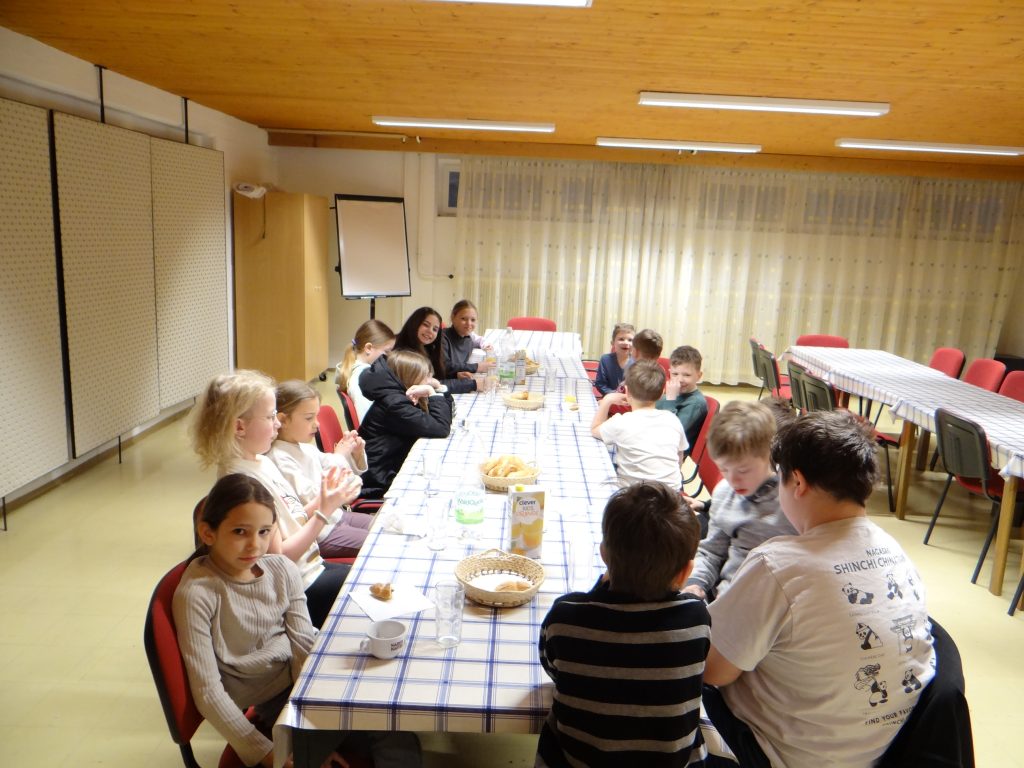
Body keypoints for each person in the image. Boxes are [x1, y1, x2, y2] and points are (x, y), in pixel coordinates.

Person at [702, 410, 935, 768]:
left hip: (781, 753)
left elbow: (712, 671)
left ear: (797, 482)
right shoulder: (896, 551)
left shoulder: (778, 565)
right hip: (878, 753)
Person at [537, 482, 710, 768]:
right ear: (686, 573)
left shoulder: (566, 616)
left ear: (604, 554)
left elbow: (553, 667)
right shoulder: (696, 618)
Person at [174, 473, 316, 768]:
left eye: (264, 532)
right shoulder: (197, 594)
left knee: (391, 727)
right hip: (271, 703)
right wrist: (266, 753)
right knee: (388, 737)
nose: (255, 545)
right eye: (240, 532)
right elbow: (208, 692)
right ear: (208, 533)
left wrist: (315, 728)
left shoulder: (282, 570)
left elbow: (304, 647)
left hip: (300, 689)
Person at [189, 370, 350, 629]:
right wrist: (323, 513)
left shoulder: (262, 461)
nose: (277, 424)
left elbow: (292, 517)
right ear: (239, 427)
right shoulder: (243, 485)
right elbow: (280, 557)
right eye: (270, 416)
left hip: (311, 568)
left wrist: (324, 500)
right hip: (297, 589)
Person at [682, 400, 795, 601]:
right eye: (723, 469)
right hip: (730, 597)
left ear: (770, 455)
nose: (733, 480)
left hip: (781, 599)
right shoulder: (724, 493)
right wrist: (696, 583)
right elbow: (711, 552)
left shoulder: (793, 498)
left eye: (743, 470)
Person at [267, 380, 373, 560]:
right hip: (322, 532)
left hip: (336, 517)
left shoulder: (304, 448)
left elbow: (339, 470)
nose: (317, 424)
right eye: (309, 418)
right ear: (283, 420)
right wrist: (340, 457)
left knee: (382, 526)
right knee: (381, 542)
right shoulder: (279, 457)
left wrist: (355, 453)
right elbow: (315, 496)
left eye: (316, 416)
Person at [358, 349, 454, 498]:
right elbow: (441, 428)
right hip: (380, 477)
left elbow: (447, 416)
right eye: (426, 376)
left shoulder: (398, 394)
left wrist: (438, 388)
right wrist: (431, 392)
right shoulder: (395, 404)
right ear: (411, 377)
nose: (429, 380)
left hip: (389, 464)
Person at [592, 359, 688, 488]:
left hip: (634, 496)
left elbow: (595, 429)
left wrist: (607, 400)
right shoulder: (673, 419)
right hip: (671, 494)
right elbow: (679, 457)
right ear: (662, 393)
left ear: (627, 392)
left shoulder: (621, 422)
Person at [394, 306, 474, 394]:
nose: (430, 331)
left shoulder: (428, 348)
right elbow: (431, 386)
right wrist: (472, 384)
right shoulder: (404, 353)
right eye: (426, 325)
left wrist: (454, 375)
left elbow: (435, 379)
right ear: (414, 323)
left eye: (435, 329)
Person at [335, 319, 395, 423]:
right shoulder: (363, 380)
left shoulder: (356, 371)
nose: (389, 356)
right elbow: (367, 421)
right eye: (387, 351)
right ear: (368, 348)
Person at [656, 345, 709, 450]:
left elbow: (672, 433)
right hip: (658, 441)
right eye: (675, 374)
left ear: (699, 376)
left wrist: (670, 399)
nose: (679, 379)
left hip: (670, 450)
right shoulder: (674, 393)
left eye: (687, 375)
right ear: (669, 373)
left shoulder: (696, 403)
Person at [441, 299, 494, 382]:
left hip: (455, 381)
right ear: (453, 318)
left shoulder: (469, 340)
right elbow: (445, 366)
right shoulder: (442, 337)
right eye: (463, 319)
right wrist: (477, 367)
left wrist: (456, 374)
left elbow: (479, 340)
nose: (469, 323)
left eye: (473, 320)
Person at [594, 322, 634, 396]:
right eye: (621, 339)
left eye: (630, 340)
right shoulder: (605, 359)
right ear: (612, 343)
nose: (626, 343)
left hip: (631, 400)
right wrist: (614, 395)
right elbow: (600, 384)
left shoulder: (637, 362)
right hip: (610, 398)